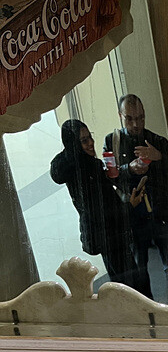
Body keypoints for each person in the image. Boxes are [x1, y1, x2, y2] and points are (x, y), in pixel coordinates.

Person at [105, 93, 168, 303]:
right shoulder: (112, 142)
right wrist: (128, 169)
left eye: (140, 118)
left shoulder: (158, 141)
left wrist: (159, 157)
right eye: (130, 118)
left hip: (161, 214)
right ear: (120, 115)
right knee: (139, 267)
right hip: (134, 217)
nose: (136, 124)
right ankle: (147, 308)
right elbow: (108, 178)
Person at [50, 119, 144, 288]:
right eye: (84, 140)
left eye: (90, 137)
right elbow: (103, 209)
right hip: (110, 234)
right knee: (130, 284)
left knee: (121, 282)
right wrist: (130, 205)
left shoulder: (78, 167)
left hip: (105, 236)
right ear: (74, 145)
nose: (91, 143)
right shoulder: (87, 168)